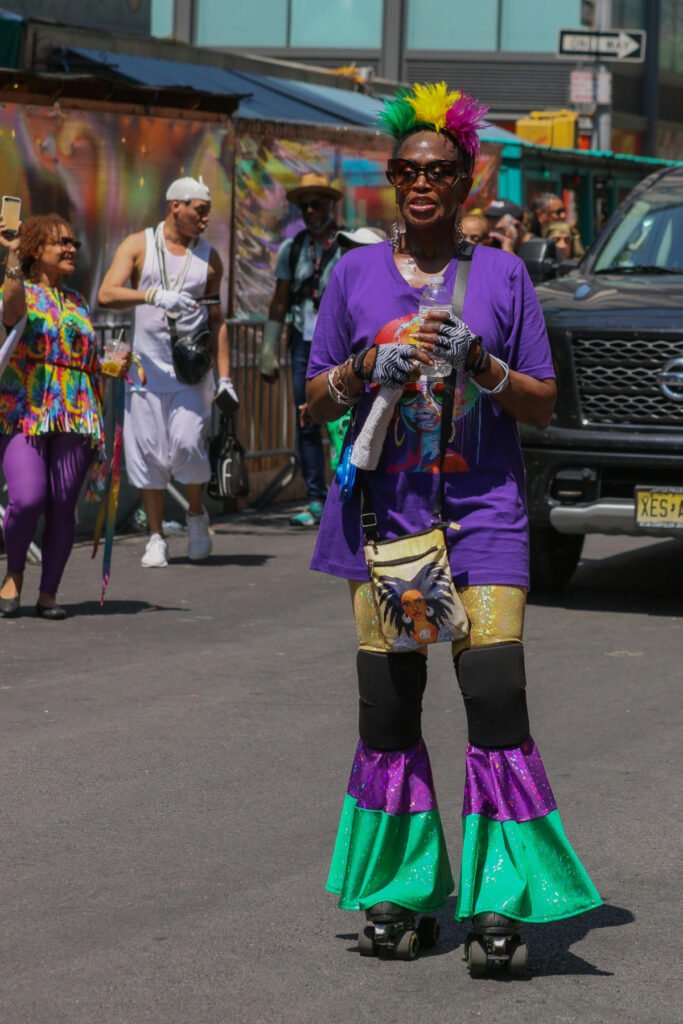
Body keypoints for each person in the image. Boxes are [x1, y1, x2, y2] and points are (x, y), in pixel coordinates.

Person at [305, 82, 601, 969]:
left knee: (496, 702)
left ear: (465, 179)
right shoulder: (352, 274)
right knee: (390, 713)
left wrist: (484, 364)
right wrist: (364, 364)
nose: (420, 183)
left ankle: (497, 904)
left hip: (485, 519)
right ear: (392, 181)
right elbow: (314, 389)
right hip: (389, 527)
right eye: (405, 171)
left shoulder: (504, 275)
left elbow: (544, 405)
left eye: (437, 170)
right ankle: (402, 893)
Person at [98, 176, 237, 567]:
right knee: (147, 454)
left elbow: (217, 319)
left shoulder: (209, 257)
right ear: (176, 205)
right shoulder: (139, 244)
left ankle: (195, 515)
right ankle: (155, 535)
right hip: (143, 371)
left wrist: (225, 378)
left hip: (190, 372)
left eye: (208, 212)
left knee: (188, 442)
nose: (205, 219)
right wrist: (152, 294)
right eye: (199, 210)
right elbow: (107, 293)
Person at [0, 213, 125, 619]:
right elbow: (11, 312)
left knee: (62, 504)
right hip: (26, 409)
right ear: (38, 249)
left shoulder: (77, 301)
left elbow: (83, 359)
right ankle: (14, 573)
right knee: (27, 496)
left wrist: (112, 365)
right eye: (62, 243)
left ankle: (49, 592)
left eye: (74, 243)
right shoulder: (20, 290)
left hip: (77, 412)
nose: (72, 249)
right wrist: (13, 256)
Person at [258, 172, 344, 527]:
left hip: (341, 344)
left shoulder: (349, 244)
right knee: (307, 419)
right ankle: (315, 500)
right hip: (302, 344)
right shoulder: (292, 250)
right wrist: (268, 348)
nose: (310, 211)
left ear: (330, 205)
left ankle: (346, 495)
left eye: (317, 204)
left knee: (342, 419)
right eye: (304, 205)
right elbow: (279, 301)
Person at [532, 192, 585, 261]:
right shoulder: (530, 241)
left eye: (564, 211)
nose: (563, 216)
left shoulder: (571, 233)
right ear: (541, 216)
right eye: (558, 212)